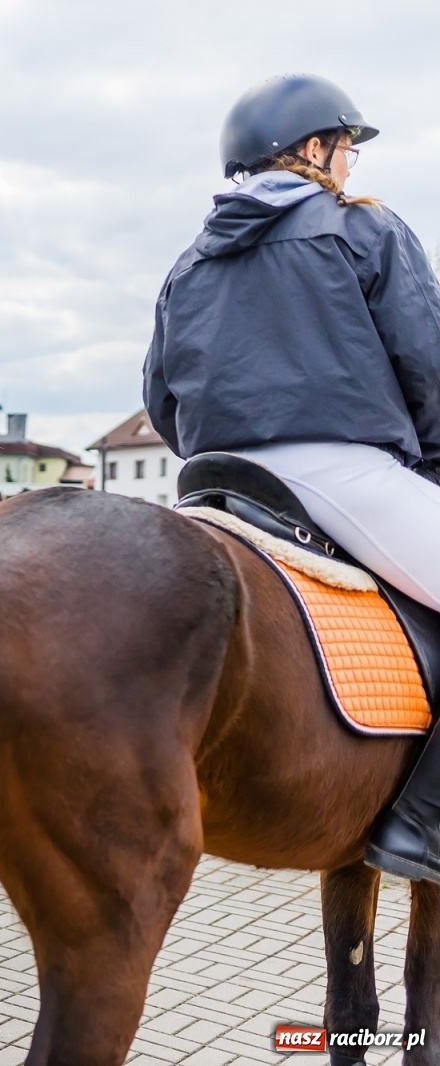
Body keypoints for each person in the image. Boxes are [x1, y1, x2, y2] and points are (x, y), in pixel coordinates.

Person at [142, 73, 440, 883]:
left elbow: (159, 400)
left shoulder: (190, 259)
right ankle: (424, 822)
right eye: (345, 147)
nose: (349, 165)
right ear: (313, 148)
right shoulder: (365, 229)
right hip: (342, 472)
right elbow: (429, 369)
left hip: (215, 483)